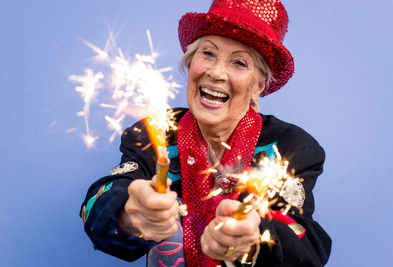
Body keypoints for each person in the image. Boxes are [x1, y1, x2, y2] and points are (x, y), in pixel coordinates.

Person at [80, 0, 332, 266]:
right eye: (208, 54)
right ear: (190, 63)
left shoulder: (291, 149)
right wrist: (128, 213)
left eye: (238, 63)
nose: (216, 72)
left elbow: (307, 248)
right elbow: (100, 201)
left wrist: (254, 238)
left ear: (258, 86)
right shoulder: (153, 133)